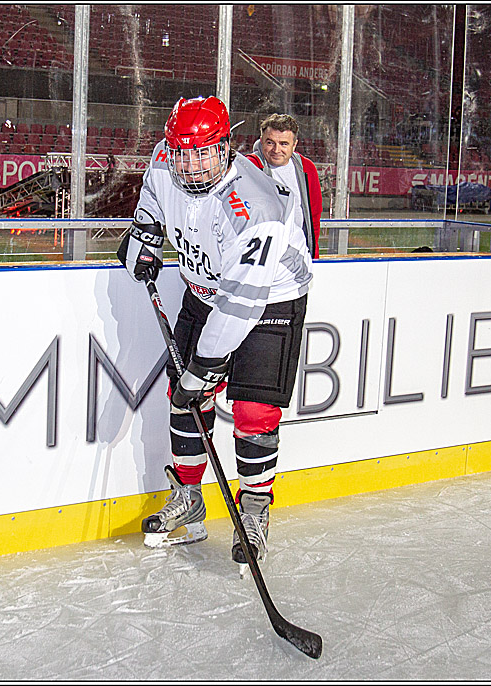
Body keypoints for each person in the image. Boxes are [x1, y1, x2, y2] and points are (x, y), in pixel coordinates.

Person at [118, 96, 312, 568]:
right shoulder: (165, 160)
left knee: (253, 409)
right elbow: (149, 207)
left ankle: (253, 513)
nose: (192, 164)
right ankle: (189, 498)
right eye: (183, 152)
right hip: (204, 291)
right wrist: (141, 241)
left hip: (270, 299)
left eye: (204, 152)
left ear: (225, 146)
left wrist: (204, 368)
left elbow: (241, 305)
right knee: (183, 400)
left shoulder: (254, 206)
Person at [245, 113, 322, 258]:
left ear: (294, 145)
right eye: (270, 142)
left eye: (284, 144)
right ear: (261, 141)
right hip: (261, 258)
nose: (276, 150)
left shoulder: (307, 168)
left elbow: (314, 217)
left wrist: (313, 257)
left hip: (298, 257)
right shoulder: (250, 167)